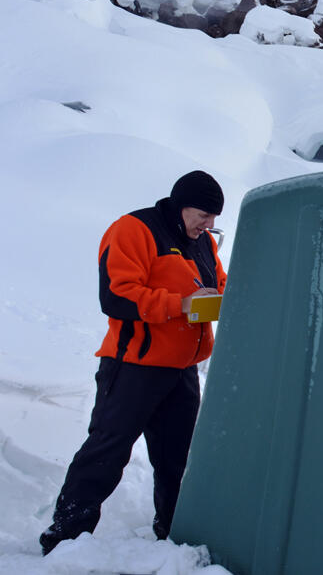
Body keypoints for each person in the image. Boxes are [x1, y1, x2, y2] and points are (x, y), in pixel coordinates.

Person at [40, 171, 227, 555]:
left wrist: (222, 297)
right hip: (134, 365)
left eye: (214, 219)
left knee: (178, 457)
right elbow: (117, 296)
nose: (210, 225)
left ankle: (175, 533)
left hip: (181, 370)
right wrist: (181, 305)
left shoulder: (203, 242)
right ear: (181, 204)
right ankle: (65, 536)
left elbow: (221, 285)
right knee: (107, 450)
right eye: (204, 215)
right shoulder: (134, 229)